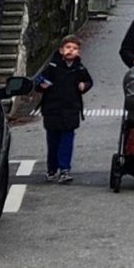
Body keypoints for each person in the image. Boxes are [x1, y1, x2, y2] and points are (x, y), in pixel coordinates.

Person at [33, 35, 93, 183]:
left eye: (74, 49)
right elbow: (38, 81)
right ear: (61, 50)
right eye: (68, 48)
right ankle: (51, 169)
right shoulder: (52, 67)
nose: (70, 51)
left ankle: (65, 169)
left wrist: (84, 86)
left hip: (71, 109)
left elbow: (89, 81)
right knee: (53, 140)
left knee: (67, 138)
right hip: (52, 109)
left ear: (78, 52)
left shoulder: (79, 68)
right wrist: (41, 85)